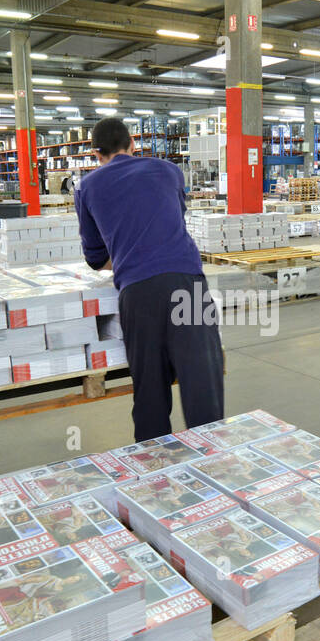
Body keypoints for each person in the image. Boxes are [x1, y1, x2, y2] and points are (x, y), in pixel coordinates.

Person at [76, 117, 225, 441]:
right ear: (133, 144)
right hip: (188, 284)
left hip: (138, 293)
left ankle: (154, 474)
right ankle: (213, 460)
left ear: (96, 154)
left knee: (149, 391)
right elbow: (173, 221)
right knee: (202, 382)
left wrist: (129, 250)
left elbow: (95, 258)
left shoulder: (87, 187)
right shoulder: (168, 171)